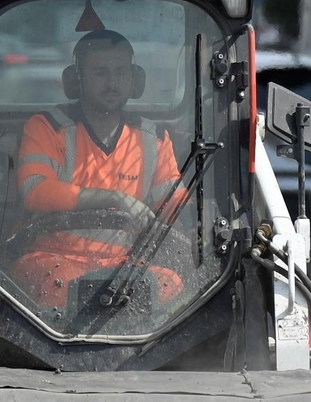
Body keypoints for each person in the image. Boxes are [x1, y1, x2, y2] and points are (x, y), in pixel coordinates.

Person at [13, 30, 187, 309]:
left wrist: (190, 222)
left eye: (120, 72)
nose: (112, 83)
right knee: (63, 287)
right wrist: (113, 198)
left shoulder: (153, 139)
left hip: (128, 265)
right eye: (100, 72)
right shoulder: (47, 128)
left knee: (171, 286)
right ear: (76, 79)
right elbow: (35, 190)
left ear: (135, 80)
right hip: (53, 258)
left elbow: (175, 205)